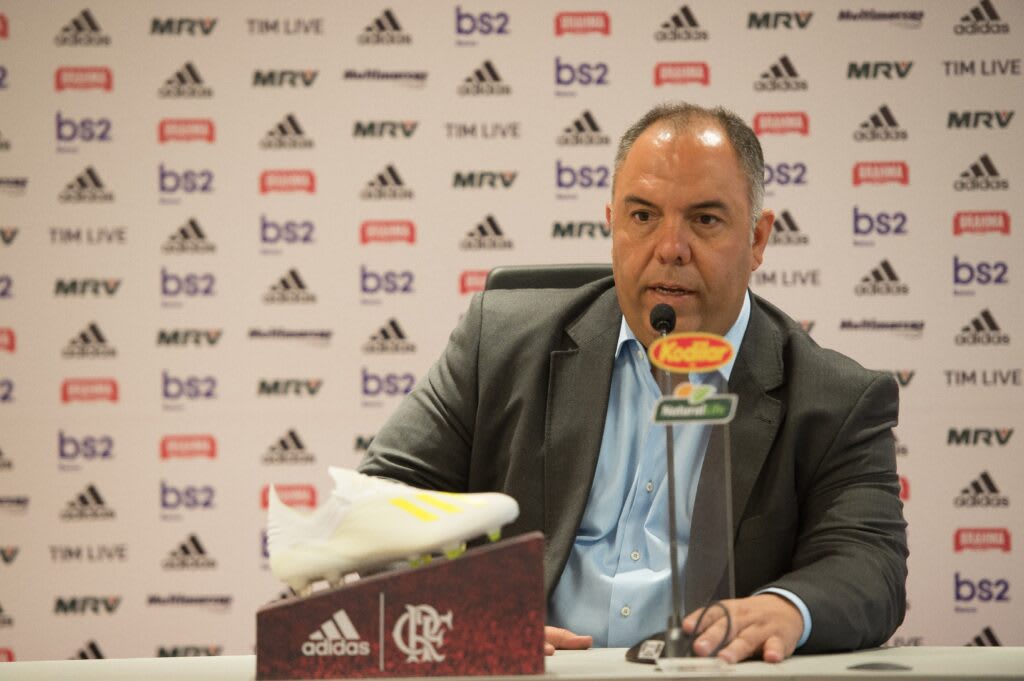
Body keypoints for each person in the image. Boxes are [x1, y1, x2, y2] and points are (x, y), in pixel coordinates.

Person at [359, 102, 908, 663]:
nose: (670, 247)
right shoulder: (498, 346)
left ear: (759, 239)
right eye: (643, 216)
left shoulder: (835, 400)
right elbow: (377, 501)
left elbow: (870, 564)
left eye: (705, 220)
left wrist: (788, 607)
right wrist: (460, 615)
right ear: (611, 222)